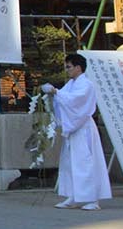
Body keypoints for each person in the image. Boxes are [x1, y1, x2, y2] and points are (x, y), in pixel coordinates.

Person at [43, 52, 111, 210]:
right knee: (70, 163)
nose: (67, 70)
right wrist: (54, 96)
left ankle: (93, 199)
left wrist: (56, 92)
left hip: (83, 127)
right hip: (73, 129)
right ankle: (73, 196)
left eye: (69, 67)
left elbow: (75, 101)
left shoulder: (86, 85)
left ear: (78, 68)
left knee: (86, 162)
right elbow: (64, 99)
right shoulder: (72, 84)